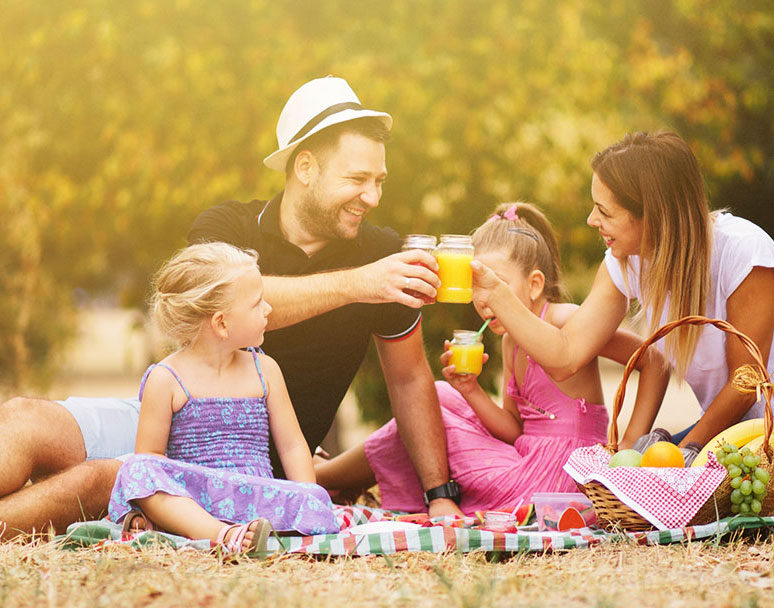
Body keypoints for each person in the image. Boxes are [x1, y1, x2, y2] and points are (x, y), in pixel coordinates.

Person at [0, 76, 459, 540]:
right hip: (166, 417)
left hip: (248, 460)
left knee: (98, 480)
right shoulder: (228, 228)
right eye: (357, 179)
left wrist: (439, 493)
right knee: (24, 417)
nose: (373, 197)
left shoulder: (379, 252)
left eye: (378, 181)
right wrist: (359, 284)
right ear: (305, 168)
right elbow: (220, 302)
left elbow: (409, 377)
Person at [315, 203, 669, 514]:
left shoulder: (565, 320)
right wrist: (470, 390)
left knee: (430, 403)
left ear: (533, 285)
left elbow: (654, 360)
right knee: (440, 395)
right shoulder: (509, 341)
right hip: (524, 460)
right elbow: (514, 430)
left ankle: (320, 477)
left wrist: (628, 447)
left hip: (562, 475)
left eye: (495, 284)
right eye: (476, 286)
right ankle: (332, 481)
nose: (483, 299)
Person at [471, 132, 774, 450]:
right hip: (724, 435)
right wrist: (630, 450)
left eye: (604, 211)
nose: (591, 220)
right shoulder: (627, 262)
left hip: (761, 433)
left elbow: (746, 382)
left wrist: (684, 453)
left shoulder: (743, 253)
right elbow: (566, 356)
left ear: (653, 215)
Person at [108, 243, 338, 552]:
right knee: (137, 469)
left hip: (257, 498)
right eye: (258, 303)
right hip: (193, 501)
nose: (268, 309)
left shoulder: (265, 370)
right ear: (221, 323)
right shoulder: (166, 378)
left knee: (313, 496)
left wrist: (308, 497)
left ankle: (240, 531)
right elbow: (151, 462)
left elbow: (294, 445)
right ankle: (222, 534)